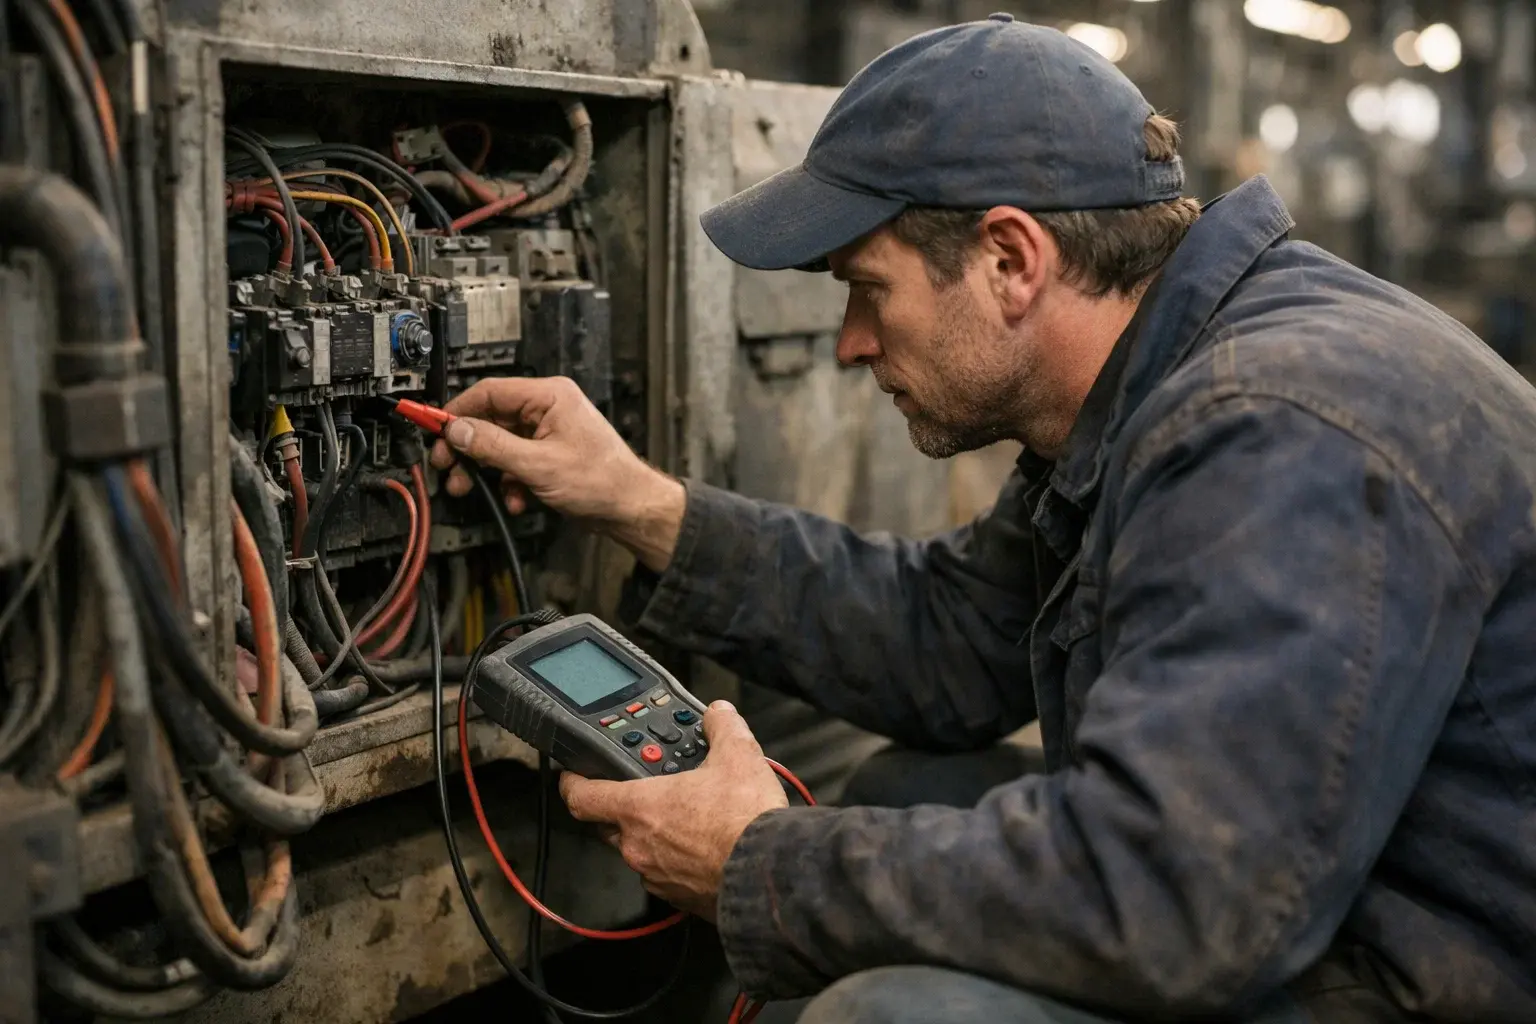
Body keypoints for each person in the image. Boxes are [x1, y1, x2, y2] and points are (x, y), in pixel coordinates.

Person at [431, 16, 1536, 1024]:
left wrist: (758, 864)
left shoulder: (1278, 432)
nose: (852, 343)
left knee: (887, 1017)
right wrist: (638, 500)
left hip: (1441, 967)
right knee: (907, 790)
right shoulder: (1151, 387)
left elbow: (1172, 897)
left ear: (1012, 261)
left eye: (869, 288)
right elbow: (953, 635)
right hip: (1348, 895)